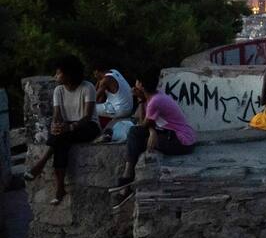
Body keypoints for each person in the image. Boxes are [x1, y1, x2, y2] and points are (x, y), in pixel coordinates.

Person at [110, 69, 196, 204]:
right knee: (136, 136)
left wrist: (139, 101)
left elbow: (142, 124)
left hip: (181, 141)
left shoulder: (155, 101)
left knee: (137, 137)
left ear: (142, 85)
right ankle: (127, 180)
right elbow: (145, 125)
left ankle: (127, 179)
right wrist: (152, 131)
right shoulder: (153, 97)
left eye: (137, 82)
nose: (135, 84)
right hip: (173, 135)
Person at [25, 55, 100, 205]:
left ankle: (42, 164)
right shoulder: (58, 90)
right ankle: (60, 188)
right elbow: (57, 115)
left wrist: (70, 127)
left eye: (59, 73)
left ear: (69, 74)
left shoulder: (87, 87)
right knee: (61, 142)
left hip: (88, 126)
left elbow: (87, 116)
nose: (55, 76)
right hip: (67, 128)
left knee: (62, 137)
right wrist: (55, 125)